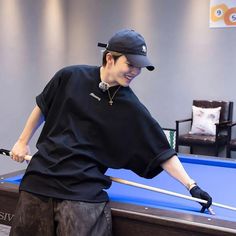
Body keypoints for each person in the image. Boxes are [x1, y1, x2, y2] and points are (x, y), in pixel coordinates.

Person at [9, 29, 212, 236]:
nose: (135, 71)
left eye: (139, 67)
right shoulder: (69, 76)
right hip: (39, 179)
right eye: (130, 64)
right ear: (109, 58)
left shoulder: (130, 107)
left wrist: (191, 186)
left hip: (82, 192)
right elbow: (43, 107)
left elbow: (162, 152)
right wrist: (22, 141)